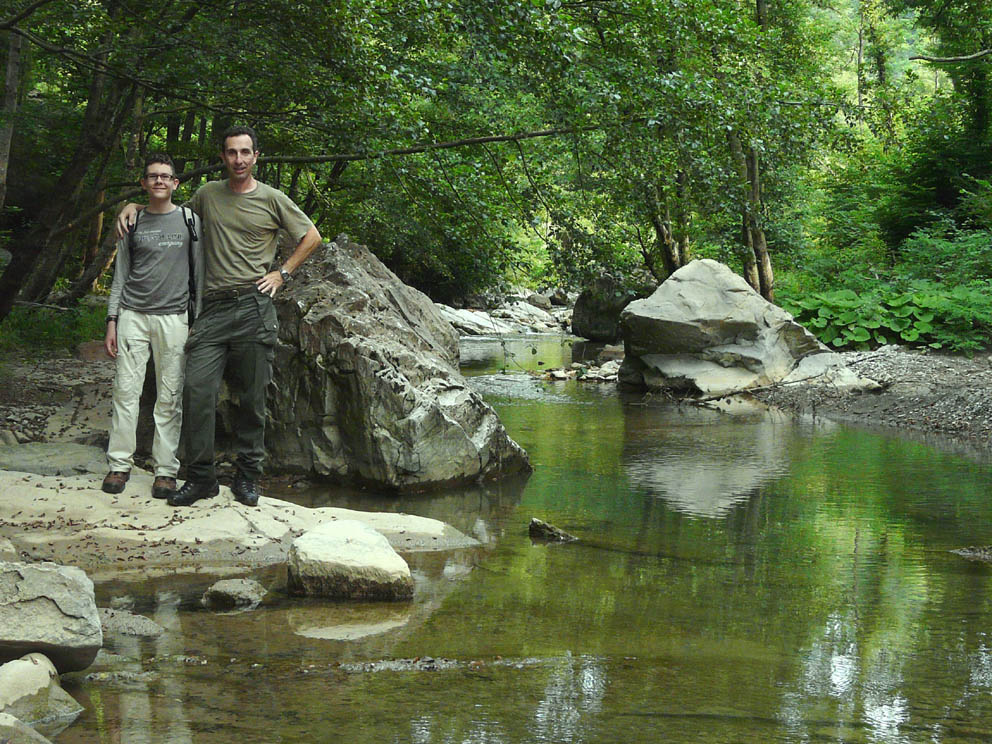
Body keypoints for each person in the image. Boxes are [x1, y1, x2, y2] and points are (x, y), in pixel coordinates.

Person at [118, 125, 322, 508]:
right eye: (231, 152)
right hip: (211, 309)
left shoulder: (272, 199)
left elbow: (311, 236)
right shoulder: (208, 194)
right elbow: (170, 213)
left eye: (245, 152)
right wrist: (134, 208)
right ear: (223, 157)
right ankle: (201, 478)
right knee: (196, 392)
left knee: (252, 398)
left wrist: (283, 273)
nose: (238, 159)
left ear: (256, 156)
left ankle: (248, 476)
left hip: (253, 306)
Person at [103, 153, 203, 500]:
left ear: (175, 183)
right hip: (133, 314)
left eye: (165, 176)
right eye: (152, 176)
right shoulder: (132, 221)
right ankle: (119, 464)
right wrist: (112, 320)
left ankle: (165, 471)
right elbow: (121, 274)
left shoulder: (190, 221)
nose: (159, 181)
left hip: (174, 317)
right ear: (144, 183)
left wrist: (197, 319)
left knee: (170, 395)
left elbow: (199, 273)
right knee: (125, 391)